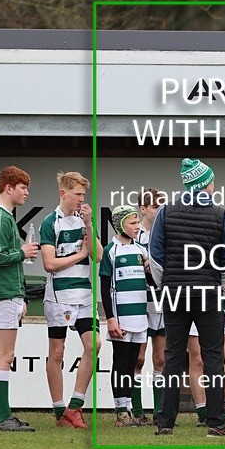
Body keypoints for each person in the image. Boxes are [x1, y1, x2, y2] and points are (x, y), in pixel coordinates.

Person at [149, 158, 225, 437]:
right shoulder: (220, 214)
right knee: (213, 356)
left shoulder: (166, 211)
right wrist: (220, 286)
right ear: (206, 183)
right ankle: (217, 423)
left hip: (175, 292)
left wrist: (166, 284)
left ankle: (165, 422)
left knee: (173, 356)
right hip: (208, 292)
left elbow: (155, 256)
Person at [0, 165, 39, 432]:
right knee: (4, 355)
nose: (26, 192)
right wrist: (22, 253)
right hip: (2, 294)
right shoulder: (2, 218)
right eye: (23, 187)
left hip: (1, 294)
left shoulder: (2, 218)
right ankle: (3, 418)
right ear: (8, 188)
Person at [39, 171, 101, 429]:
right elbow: (49, 264)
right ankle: (58, 412)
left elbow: (97, 256)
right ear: (63, 193)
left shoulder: (84, 220)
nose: (81, 199)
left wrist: (88, 225)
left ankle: (74, 407)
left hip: (84, 296)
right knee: (57, 353)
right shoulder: (49, 222)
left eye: (83, 195)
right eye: (77, 194)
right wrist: (79, 255)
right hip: (59, 298)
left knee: (95, 345)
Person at [100, 205, 151, 427]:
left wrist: (151, 272)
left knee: (133, 362)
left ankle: (129, 406)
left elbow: (151, 283)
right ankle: (120, 410)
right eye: (132, 223)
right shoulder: (110, 251)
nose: (137, 226)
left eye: (137, 222)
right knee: (120, 362)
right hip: (121, 319)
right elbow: (104, 287)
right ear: (120, 225)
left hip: (140, 318)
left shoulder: (142, 251)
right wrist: (110, 318)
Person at [134, 188, 166, 425]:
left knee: (161, 359)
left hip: (163, 301)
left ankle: (159, 410)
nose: (159, 210)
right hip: (140, 301)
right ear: (143, 209)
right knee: (138, 358)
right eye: (155, 206)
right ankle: (136, 409)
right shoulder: (134, 234)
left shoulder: (166, 231)